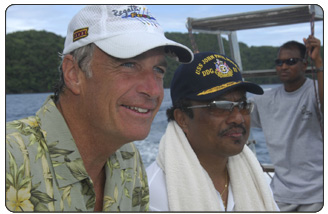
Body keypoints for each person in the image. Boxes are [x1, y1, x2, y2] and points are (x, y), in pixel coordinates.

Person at [5, 5, 193, 212]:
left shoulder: (128, 158)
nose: (153, 90)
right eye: (128, 65)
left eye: (158, 70)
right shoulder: (9, 159)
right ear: (73, 74)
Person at [146, 52, 279, 211]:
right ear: (183, 119)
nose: (238, 118)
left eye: (243, 105)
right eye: (220, 106)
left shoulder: (256, 178)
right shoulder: (153, 194)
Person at [250, 35, 323, 212]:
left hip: (318, 193)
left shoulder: (315, 92)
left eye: (290, 61)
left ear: (305, 65)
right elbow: (236, 113)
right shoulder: (266, 99)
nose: (283, 66)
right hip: (280, 194)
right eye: (279, 62)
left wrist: (319, 63)